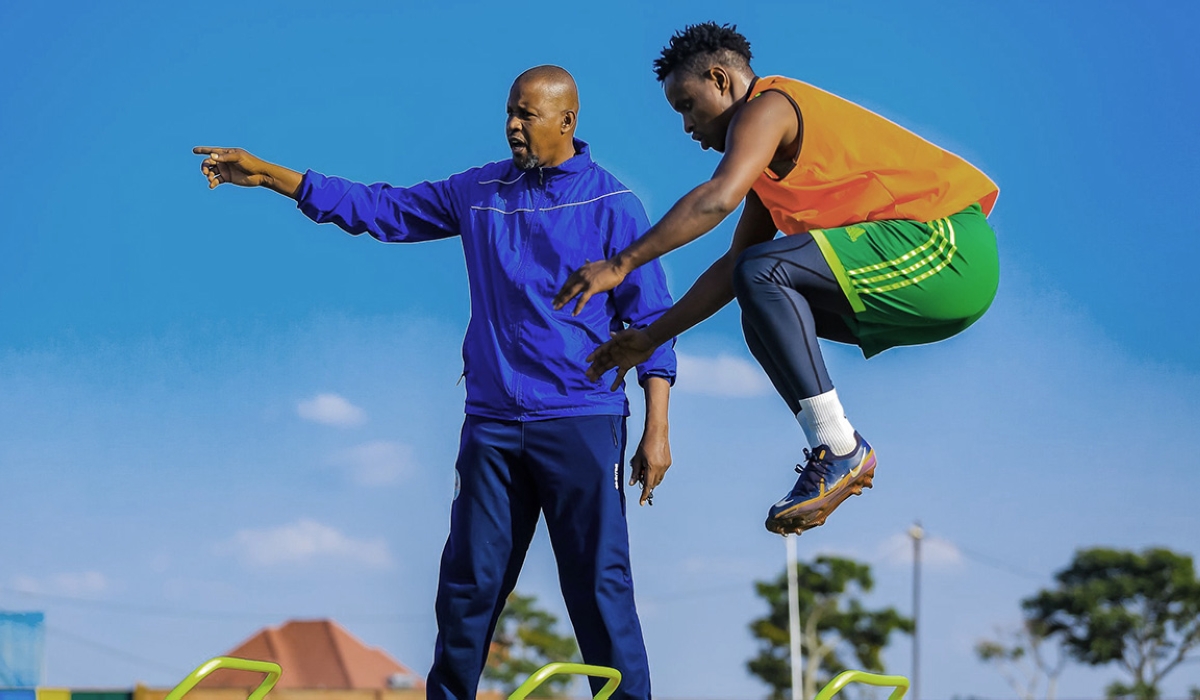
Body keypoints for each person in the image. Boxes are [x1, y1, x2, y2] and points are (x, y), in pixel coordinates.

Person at [193, 65, 675, 700]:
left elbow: (653, 321)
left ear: (567, 121)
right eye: (509, 111)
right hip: (493, 425)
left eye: (527, 114)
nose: (512, 124)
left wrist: (657, 430)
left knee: (598, 586)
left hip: (581, 418)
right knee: (468, 587)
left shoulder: (613, 205)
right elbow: (382, 208)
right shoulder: (478, 191)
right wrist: (273, 177)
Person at [554, 23, 999, 536]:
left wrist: (621, 264)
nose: (687, 126)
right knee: (757, 301)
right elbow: (734, 268)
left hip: (947, 250)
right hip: (932, 281)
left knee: (762, 271)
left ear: (720, 80)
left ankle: (840, 447)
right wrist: (651, 337)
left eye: (687, 105)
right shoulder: (768, 175)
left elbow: (717, 199)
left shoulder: (771, 106)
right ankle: (835, 447)